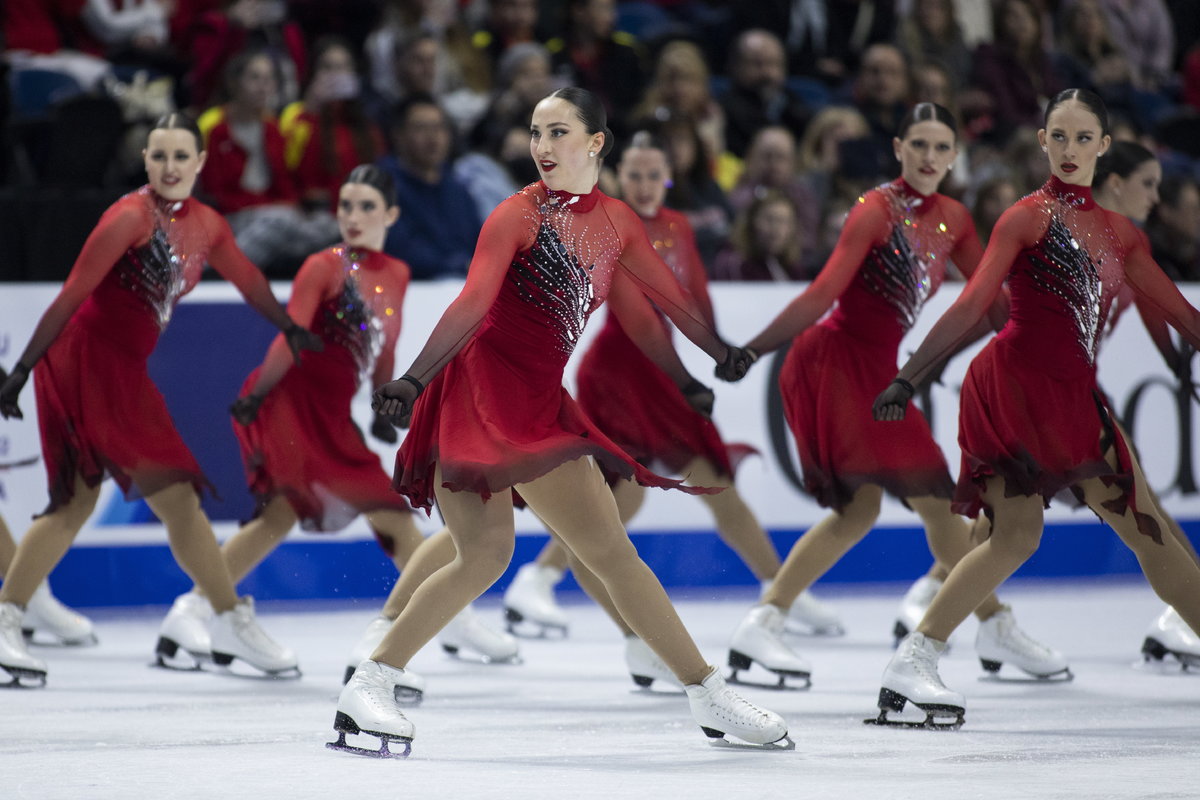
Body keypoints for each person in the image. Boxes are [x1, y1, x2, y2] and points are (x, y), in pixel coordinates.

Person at [330, 87, 787, 757]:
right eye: (536, 132)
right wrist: (413, 378)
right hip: (483, 392)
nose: (542, 146)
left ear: (596, 142)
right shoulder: (516, 214)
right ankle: (708, 692)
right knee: (522, 554)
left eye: (559, 131)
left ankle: (371, 679)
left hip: (540, 397)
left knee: (520, 554)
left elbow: (661, 300)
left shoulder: (619, 224)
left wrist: (717, 357)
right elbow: (471, 304)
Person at [870, 89, 1200, 729]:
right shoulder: (1026, 217)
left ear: (1104, 146)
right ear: (1043, 142)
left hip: (1071, 398)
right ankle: (915, 660)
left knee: (1149, 529)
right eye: (1059, 136)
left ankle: (917, 655)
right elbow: (972, 305)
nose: (1071, 149)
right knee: (1019, 535)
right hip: (1012, 387)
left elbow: (1183, 317)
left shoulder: (1121, 235)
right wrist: (911, 376)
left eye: (1084, 138)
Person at [726, 103, 1065, 690]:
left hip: (881, 370)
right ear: (898, 149)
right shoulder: (874, 210)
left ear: (955, 156)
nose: (930, 158)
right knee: (934, 499)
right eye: (920, 146)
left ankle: (765, 619)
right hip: (835, 361)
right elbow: (821, 295)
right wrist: (751, 351)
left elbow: (995, 308)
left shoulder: (956, 218)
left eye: (941, 148)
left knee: (859, 511)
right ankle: (992, 623)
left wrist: (932, 366)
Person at [0, 113, 322, 687]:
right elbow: (73, 293)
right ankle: (9, 617)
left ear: (200, 163)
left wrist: (290, 328)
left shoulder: (209, 225)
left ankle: (224, 619)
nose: (170, 167)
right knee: (86, 501)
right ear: (145, 162)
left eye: (181, 157)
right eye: (159, 156)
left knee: (170, 499)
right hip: (83, 363)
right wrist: (21, 370)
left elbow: (248, 281)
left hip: (124, 372)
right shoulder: (127, 217)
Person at [154, 164, 516, 671]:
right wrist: (258, 393)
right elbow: (291, 334)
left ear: (390, 213)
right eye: (345, 205)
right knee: (289, 512)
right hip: (289, 403)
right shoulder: (322, 266)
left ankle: (449, 615)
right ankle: (194, 607)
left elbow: (383, 344)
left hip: (331, 413)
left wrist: (382, 403)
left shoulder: (397, 273)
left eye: (367, 206)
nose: (353, 216)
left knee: (373, 513)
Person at [503, 133, 843, 657]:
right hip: (620, 377)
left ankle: (781, 593)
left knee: (717, 483)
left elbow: (693, 296)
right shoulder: (613, 223)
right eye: (633, 175)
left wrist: (718, 352)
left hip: (666, 377)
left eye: (652, 176)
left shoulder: (679, 226)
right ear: (619, 176)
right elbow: (632, 311)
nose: (642, 185)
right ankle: (539, 578)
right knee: (617, 494)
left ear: (667, 178)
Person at [1091, 141, 1200, 669]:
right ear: (1115, 183)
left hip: (1081, 395)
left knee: (1007, 524)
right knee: (1006, 525)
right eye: (1148, 184)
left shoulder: (1129, 244)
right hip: (1051, 394)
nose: (1157, 198)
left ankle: (932, 607)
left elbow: (1163, 316)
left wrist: (1184, 370)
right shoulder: (1082, 235)